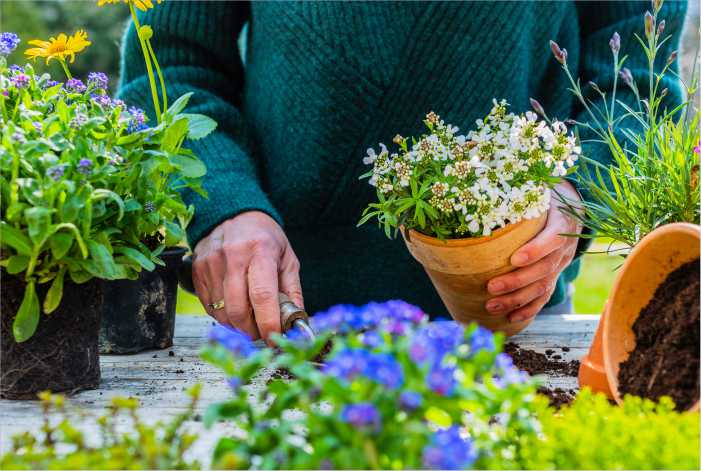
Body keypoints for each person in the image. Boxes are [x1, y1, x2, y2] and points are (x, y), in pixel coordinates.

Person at [119, 1, 686, 342]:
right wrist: (224, 205)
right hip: (282, 320)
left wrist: (573, 192)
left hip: (510, 312)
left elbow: (637, 89)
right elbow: (171, 66)